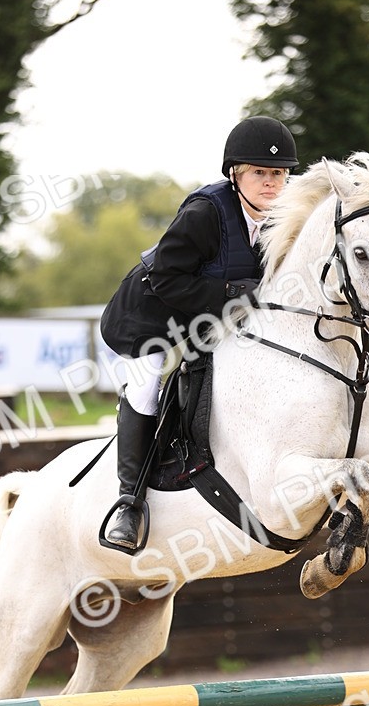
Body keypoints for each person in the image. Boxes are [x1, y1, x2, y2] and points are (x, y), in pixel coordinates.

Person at [99, 115, 298, 550]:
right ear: (235, 174)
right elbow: (165, 279)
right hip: (150, 315)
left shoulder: (285, 216)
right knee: (147, 387)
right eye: (259, 173)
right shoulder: (206, 213)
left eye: (279, 173)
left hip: (208, 317)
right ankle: (129, 503)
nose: (270, 183)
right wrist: (231, 292)